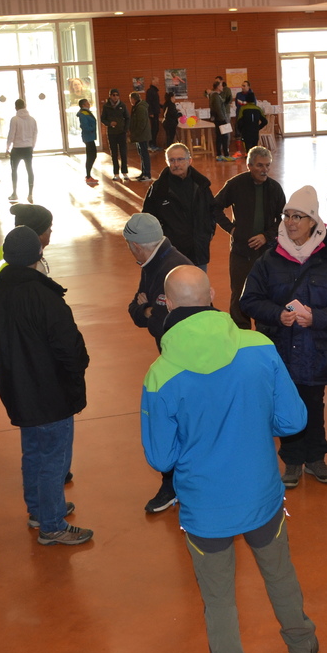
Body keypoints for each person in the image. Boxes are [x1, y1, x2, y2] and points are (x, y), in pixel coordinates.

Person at [141, 266, 316, 653]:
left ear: (168, 304)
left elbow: (161, 456)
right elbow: (293, 420)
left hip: (205, 510)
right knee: (279, 570)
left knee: (219, 602)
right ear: (213, 295)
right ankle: (301, 645)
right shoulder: (258, 347)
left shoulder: (160, 374)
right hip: (262, 495)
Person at [0, 227, 93, 545]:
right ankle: (52, 524)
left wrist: (6, 372)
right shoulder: (45, 297)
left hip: (16, 391)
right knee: (54, 457)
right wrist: (76, 372)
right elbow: (69, 347)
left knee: (32, 452)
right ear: (37, 255)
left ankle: (39, 510)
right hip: (53, 393)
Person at [240, 186, 327, 488]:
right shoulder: (268, 260)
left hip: (316, 348)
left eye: (298, 216)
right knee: (285, 404)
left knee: (314, 403)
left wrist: (317, 317)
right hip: (279, 348)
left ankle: (316, 458)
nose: (291, 222)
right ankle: (292, 460)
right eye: (287, 216)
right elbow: (249, 300)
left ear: (313, 222)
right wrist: (276, 314)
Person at [123, 212, 192, 514]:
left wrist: (148, 311)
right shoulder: (152, 263)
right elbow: (135, 310)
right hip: (174, 357)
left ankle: (174, 483)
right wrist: (148, 311)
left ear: (136, 246)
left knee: (174, 422)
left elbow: (163, 324)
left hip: (185, 361)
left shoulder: (170, 269)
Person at [212, 145, 286, 329]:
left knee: (266, 292)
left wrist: (266, 236)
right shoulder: (236, 185)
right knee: (239, 293)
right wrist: (231, 230)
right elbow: (214, 207)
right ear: (249, 166)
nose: (264, 170)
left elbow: (283, 218)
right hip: (241, 251)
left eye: (267, 165)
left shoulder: (275, 188)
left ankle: (264, 330)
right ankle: (241, 332)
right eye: (260, 165)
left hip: (267, 251)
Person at [144, 142, 216, 271]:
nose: (176, 164)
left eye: (180, 159)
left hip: (198, 251)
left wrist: (207, 234)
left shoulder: (201, 185)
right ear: (167, 162)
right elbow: (148, 219)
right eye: (172, 160)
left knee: (199, 283)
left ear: (189, 161)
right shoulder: (159, 189)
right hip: (171, 254)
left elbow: (212, 212)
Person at [5, 98, 38, 202]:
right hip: (28, 148)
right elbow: (35, 133)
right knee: (29, 169)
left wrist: (7, 147)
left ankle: (14, 193)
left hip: (17, 148)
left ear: (16, 107)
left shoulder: (14, 119)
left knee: (14, 170)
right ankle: (30, 194)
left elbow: (11, 134)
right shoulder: (32, 119)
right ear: (25, 106)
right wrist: (32, 145)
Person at [102, 87, 132, 180]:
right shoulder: (106, 106)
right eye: (113, 95)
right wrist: (109, 123)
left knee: (123, 153)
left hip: (121, 132)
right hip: (111, 133)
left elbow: (127, 118)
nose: (115, 97)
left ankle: (125, 172)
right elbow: (103, 119)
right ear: (110, 96)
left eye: (117, 95)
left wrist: (125, 129)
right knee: (114, 153)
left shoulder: (122, 105)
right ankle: (116, 173)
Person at [129, 90, 153, 178]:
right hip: (140, 135)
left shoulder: (140, 108)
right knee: (142, 154)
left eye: (130, 99)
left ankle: (147, 174)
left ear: (133, 99)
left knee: (144, 154)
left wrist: (136, 133)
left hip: (142, 135)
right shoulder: (137, 107)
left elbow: (141, 123)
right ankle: (143, 173)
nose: (130, 101)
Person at [77, 97, 101, 185]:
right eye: (87, 103)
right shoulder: (83, 114)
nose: (89, 104)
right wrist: (92, 128)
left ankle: (88, 175)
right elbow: (85, 126)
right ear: (83, 105)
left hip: (90, 137)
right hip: (88, 137)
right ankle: (88, 176)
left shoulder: (86, 112)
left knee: (92, 155)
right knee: (91, 156)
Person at [209, 81, 231, 158]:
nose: (222, 87)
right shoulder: (215, 96)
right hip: (220, 119)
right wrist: (223, 119)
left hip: (218, 118)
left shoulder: (215, 95)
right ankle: (225, 154)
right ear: (218, 87)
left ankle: (219, 154)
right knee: (224, 137)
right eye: (221, 86)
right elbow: (218, 108)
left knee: (219, 136)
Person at [146, 76, 162, 147]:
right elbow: (149, 102)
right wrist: (150, 112)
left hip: (156, 112)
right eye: (157, 81)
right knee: (154, 129)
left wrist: (163, 106)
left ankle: (154, 143)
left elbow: (156, 103)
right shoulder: (150, 91)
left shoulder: (155, 91)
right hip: (153, 113)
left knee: (156, 128)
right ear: (153, 82)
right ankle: (152, 144)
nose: (158, 83)